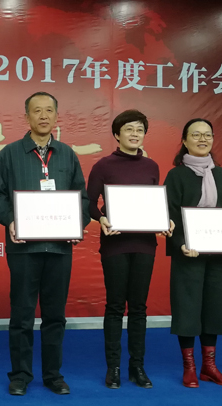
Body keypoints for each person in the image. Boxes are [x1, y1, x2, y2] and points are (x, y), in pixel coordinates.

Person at [0, 91, 91, 396]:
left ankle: (53, 375)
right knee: (22, 314)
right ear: (26, 116)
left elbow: (82, 198)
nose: (43, 116)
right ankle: (20, 375)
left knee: (55, 315)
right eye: (37, 111)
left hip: (59, 248)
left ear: (57, 116)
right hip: (24, 248)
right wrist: (10, 220)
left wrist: (78, 224)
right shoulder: (9, 153)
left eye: (49, 111)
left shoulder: (67, 154)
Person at [86, 109, 173, 389]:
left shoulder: (151, 166)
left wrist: (164, 219)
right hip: (115, 244)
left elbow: (153, 202)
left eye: (140, 130)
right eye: (129, 129)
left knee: (138, 307)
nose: (135, 134)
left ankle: (137, 366)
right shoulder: (103, 165)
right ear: (117, 134)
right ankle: (113, 368)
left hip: (145, 244)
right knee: (115, 306)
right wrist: (102, 218)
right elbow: (89, 203)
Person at [164, 118, 222, 388]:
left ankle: (209, 367)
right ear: (184, 140)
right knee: (188, 308)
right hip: (188, 253)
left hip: (218, 253)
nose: (203, 139)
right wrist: (180, 243)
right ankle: (189, 367)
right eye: (196, 135)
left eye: (208, 135)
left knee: (215, 307)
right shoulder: (176, 175)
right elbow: (169, 214)